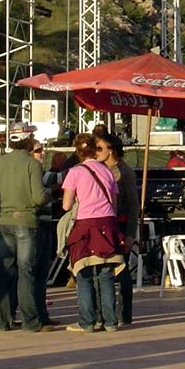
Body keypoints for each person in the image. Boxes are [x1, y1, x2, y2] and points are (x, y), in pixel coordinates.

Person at [0, 135, 54, 332]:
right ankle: (30, 321)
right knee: (26, 271)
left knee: (5, 270)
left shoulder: (0, 163)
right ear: (27, 142)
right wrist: (50, 194)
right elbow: (38, 197)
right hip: (26, 220)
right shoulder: (32, 164)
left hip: (3, 220)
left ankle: (3, 321)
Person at [61, 133, 124, 333]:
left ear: (78, 152)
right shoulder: (107, 172)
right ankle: (110, 321)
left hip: (85, 225)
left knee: (84, 273)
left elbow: (66, 205)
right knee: (106, 274)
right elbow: (114, 204)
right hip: (108, 223)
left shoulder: (74, 172)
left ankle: (87, 322)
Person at [98, 132, 138, 327]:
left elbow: (133, 204)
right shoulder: (100, 169)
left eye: (100, 148)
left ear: (111, 150)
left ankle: (124, 313)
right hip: (105, 224)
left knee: (121, 270)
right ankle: (105, 312)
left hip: (120, 224)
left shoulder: (124, 172)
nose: (96, 152)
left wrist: (130, 233)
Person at [31, 141, 59, 327]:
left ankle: (41, 313)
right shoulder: (35, 171)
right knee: (35, 272)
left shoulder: (40, 172)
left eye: (43, 150)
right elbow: (59, 178)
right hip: (37, 224)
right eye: (38, 150)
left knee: (42, 273)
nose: (42, 153)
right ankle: (35, 314)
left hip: (47, 223)